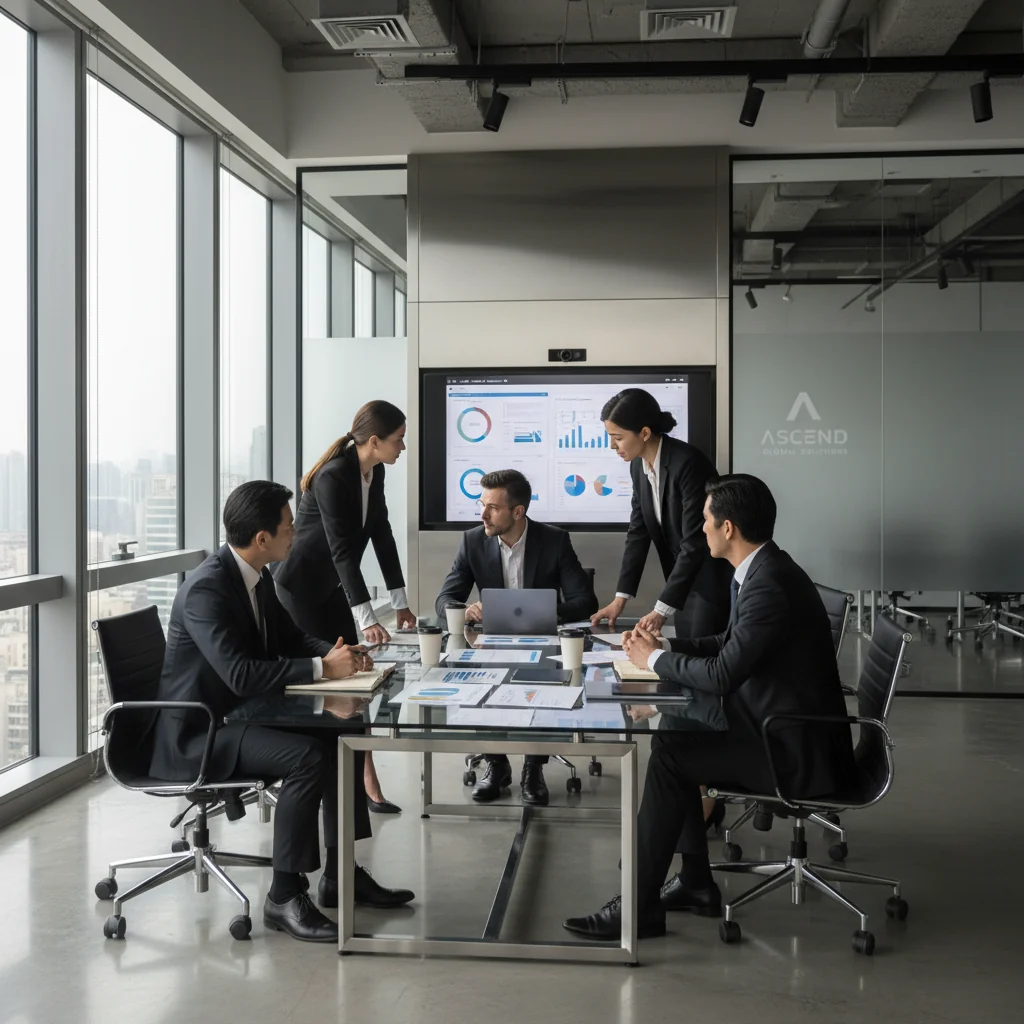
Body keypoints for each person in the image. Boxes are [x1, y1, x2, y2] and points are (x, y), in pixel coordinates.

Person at [563, 475, 856, 940]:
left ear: (728, 528)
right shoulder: (762, 570)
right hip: (778, 723)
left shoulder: (768, 584)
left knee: (672, 756)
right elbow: (728, 644)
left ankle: (637, 907)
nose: (699, 531)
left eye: (704, 522)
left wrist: (655, 660)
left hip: (794, 747)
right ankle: (696, 883)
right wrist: (667, 646)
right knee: (671, 738)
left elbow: (723, 675)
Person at [151, 481, 414, 944]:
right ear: (262, 539)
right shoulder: (206, 590)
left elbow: (291, 640)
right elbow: (239, 675)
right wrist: (320, 667)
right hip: (202, 732)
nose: (296, 532)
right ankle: (284, 896)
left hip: (238, 716)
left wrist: (339, 654)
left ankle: (340, 874)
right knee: (307, 757)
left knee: (343, 730)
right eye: (289, 526)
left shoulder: (257, 575)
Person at [591, 387, 733, 828]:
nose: (612, 445)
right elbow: (639, 531)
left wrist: (663, 608)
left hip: (706, 586)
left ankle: (711, 789)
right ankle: (693, 784)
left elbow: (695, 544)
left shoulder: (688, 463)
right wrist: (621, 596)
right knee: (678, 678)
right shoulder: (641, 467)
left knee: (700, 681)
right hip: (684, 586)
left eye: (617, 437)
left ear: (645, 432)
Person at [275, 400, 415, 815]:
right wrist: (367, 618)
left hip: (332, 584)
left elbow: (382, 535)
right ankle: (309, 777)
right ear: (375, 441)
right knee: (325, 681)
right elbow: (341, 550)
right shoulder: (334, 475)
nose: (403, 447)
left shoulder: (376, 471)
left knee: (355, 674)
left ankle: (365, 779)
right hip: (300, 588)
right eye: (399, 439)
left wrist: (401, 602)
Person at [435, 469, 598, 806]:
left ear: (518, 511)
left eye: (492, 507)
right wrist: (464, 611)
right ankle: (496, 766)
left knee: (544, 681)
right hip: (489, 643)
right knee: (477, 681)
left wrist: (542, 610)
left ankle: (533, 769)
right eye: (482, 504)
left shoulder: (554, 540)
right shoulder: (472, 541)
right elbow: (444, 599)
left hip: (543, 643)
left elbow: (585, 601)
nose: (483, 514)